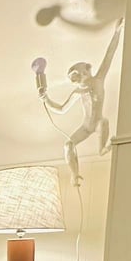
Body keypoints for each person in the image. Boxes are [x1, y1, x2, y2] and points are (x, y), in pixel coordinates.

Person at [40, 17, 124, 185]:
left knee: (104, 122)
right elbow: (62, 108)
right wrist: (46, 99)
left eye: (77, 74)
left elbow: (109, 54)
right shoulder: (78, 91)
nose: (76, 78)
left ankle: (102, 149)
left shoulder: (98, 79)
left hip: (99, 122)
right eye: (74, 77)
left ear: (86, 71)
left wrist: (117, 31)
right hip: (86, 127)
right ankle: (74, 174)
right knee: (68, 144)